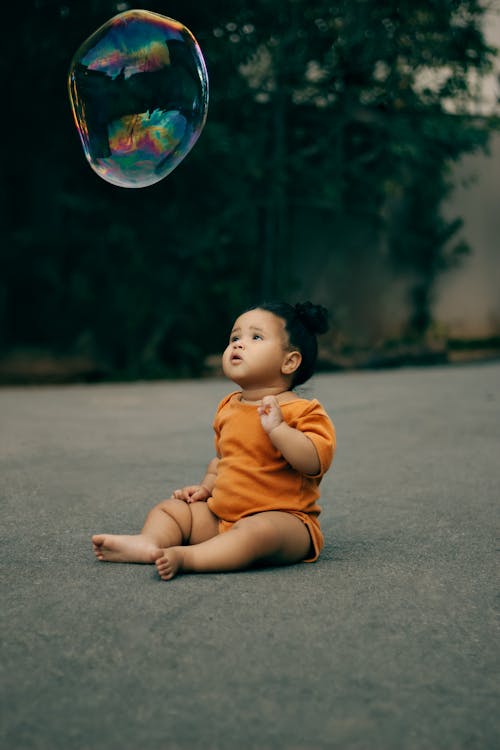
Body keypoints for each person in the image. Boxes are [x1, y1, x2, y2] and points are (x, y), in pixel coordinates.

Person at [92, 301, 336, 580]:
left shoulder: (303, 410)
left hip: (286, 522)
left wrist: (279, 430)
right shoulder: (229, 406)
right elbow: (223, 461)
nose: (239, 344)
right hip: (224, 517)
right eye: (235, 337)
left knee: (256, 533)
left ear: (289, 361)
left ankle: (189, 557)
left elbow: (315, 460)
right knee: (172, 510)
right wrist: (206, 488)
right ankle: (150, 542)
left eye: (255, 337)